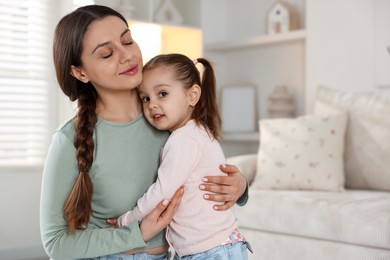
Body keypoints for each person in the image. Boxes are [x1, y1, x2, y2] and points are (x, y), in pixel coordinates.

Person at [40, 5, 248, 260]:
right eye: (107, 53)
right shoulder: (68, 139)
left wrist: (239, 187)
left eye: (128, 41)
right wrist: (136, 232)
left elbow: (201, 168)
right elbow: (56, 243)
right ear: (80, 72)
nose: (127, 56)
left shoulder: (170, 116)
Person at [115, 53, 250, 259]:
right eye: (145, 98)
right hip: (209, 248)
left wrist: (127, 221)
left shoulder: (185, 138)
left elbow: (162, 192)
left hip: (211, 251)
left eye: (162, 94)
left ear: (192, 95)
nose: (151, 104)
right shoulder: (194, 132)